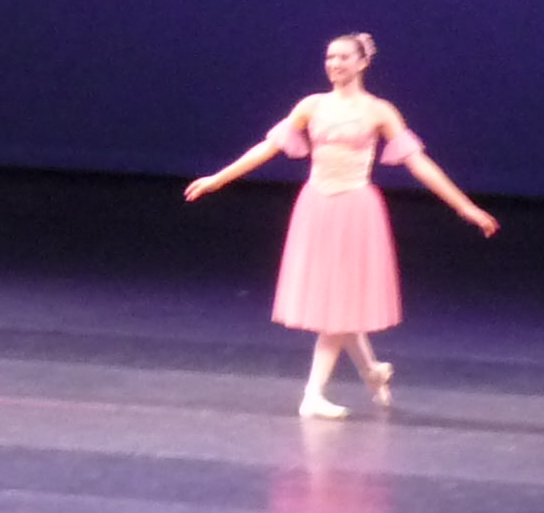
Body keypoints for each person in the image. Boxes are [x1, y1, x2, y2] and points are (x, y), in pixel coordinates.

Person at [185, 33, 498, 418]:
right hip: (317, 206)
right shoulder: (311, 105)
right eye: (330, 57)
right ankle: (371, 371)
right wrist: (218, 179)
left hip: (355, 210)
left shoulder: (380, 111)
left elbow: (419, 163)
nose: (334, 64)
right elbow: (268, 147)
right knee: (337, 302)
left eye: (343, 57)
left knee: (340, 303)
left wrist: (464, 206)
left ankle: (313, 394)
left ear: (362, 62)